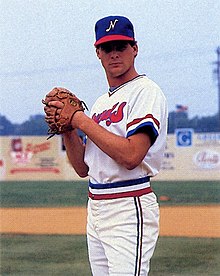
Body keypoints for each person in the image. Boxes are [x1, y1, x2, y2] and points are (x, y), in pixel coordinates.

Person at [45, 15, 167, 276]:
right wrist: (68, 130)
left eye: (121, 47)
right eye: (107, 48)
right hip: (96, 205)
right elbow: (81, 167)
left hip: (128, 205)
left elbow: (132, 155)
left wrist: (79, 119)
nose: (114, 54)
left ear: (134, 49)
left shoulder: (146, 91)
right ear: (97, 52)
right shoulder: (101, 103)